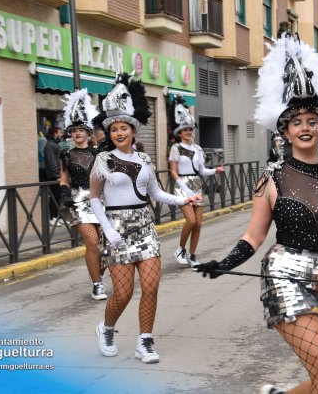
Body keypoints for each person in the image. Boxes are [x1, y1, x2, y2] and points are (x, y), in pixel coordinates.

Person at [196, 33, 318, 394]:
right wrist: (225, 263)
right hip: (286, 275)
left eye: (312, 121)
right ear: (285, 131)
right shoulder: (271, 178)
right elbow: (254, 236)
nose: (305, 127)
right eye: (297, 122)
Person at [89, 73, 202, 363]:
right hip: (116, 229)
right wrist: (107, 231)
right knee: (123, 294)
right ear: (110, 132)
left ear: (133, 130)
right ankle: (108, 328)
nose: (118, 133)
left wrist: (184, 199)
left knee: (151, 287)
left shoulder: (145, 160)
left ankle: (145, 342)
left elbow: (156, 193)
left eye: (123, 127)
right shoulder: (103, 161)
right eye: (114, 129)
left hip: (144, 227)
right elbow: (94, 199)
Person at [58, 88, 107, 301]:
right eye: (73, 130)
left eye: (81, 130)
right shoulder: (66, 155)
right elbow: (63, 179)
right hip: (79, 201)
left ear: (88, 133)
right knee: (92, 242)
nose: (77, 133)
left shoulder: (99, 153)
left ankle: (98, 274)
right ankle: (97, 285)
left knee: (106, 246)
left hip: (101, 200)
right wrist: (65, 194)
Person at [168, 96, 225, 268]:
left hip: (196, 185)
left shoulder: (198, 149)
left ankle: (192, 255)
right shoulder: (176, 148)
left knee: (199, 223)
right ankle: (180, 249)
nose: (188, 132)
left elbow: (202, 171)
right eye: (184, 129)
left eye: (190, 129)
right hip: (182, 186)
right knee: (191, 221)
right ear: (179, 132)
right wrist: (183, 186)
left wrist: (216, 170)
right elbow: (172, 171)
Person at [44, 127, 64, 227]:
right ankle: (52, 217)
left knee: (58, 196)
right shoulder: (50, 145)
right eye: (60, 132)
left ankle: (57, 216)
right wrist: (56, 175)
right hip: (53, 176)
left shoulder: (56, 144)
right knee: (54, 196)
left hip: (58, 175)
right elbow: (52, 161)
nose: (62, 134)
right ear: (55, 133)